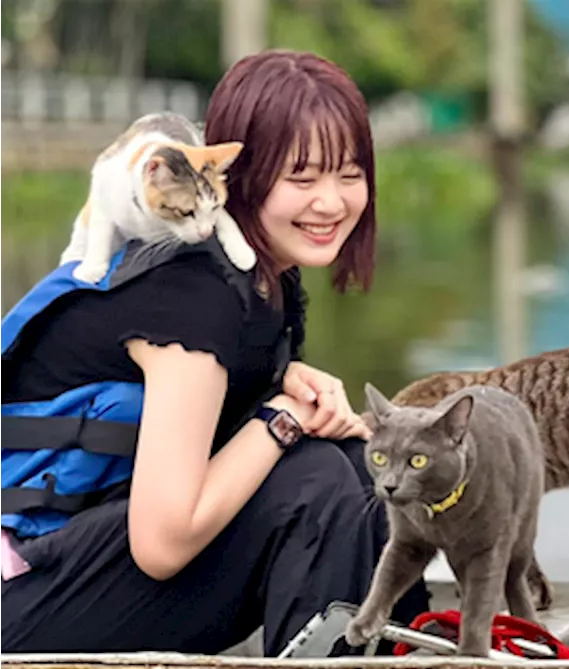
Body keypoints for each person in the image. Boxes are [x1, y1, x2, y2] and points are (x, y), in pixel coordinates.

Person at [0, 50, 431, 655]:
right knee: (312, 482)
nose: (331, 202)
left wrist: (290, 394)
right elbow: (162, 543)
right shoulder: (194, 296)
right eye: (302, 179)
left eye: (350, 174)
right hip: (20, 593)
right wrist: (283, 418)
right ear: (242, 175)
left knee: (364, 466)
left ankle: (398, 650)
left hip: (78, 560)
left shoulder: (264, 282)